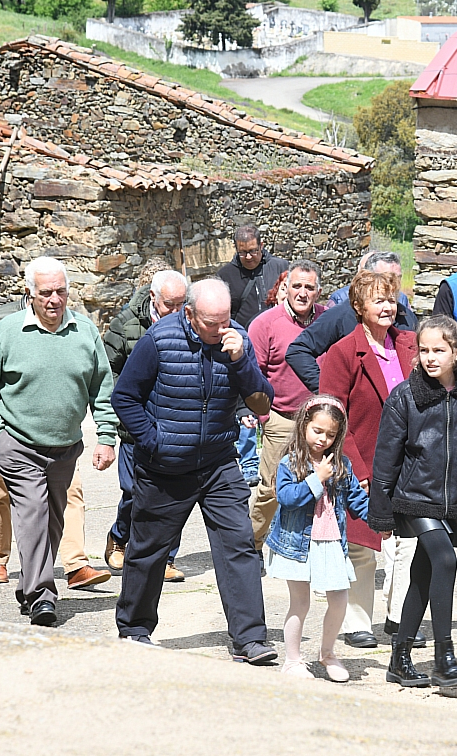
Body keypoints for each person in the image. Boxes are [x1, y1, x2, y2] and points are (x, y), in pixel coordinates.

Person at [111, 279, 278, 662]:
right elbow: (125, 397)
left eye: (225, 320)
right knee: (149, 550)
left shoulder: (236, 340)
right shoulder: (158, 340)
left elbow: (261, 402)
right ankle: (134, 629)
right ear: (189, 314)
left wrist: (241, 361)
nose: (220, 330)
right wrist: (153, 441)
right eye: (211, 323)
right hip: (165, 467)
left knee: (239, 545)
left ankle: (250, 639)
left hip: (218, 463)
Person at [0, 257, 118, 626]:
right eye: (46, 293)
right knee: (33, 515)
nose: (54, 300)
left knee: (52, 522)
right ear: (30, 293)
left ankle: (28, 587)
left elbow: (102, 389)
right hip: (18, 444)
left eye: (60, 292)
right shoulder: (8, 331)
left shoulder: (85, 332)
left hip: (65, 447)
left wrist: (106, 436)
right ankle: (42, 596)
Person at [370, 315, 457, 688]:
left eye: (439, 350)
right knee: (444, 559)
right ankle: (444, 658)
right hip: (413, 498)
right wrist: (381, 512)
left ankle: (400, 658)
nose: (430, 357)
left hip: (452, 501)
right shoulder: (405, 396)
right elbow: (386, 458)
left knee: (423, 576)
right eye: (424, 350)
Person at [320, 270, 419, 649]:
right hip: (361, 462)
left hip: (410, 464)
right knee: (362, 547)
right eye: (378, 300)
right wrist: (355, 470)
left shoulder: (410, 344)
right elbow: (334, 417)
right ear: (359, 306)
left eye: (391, 299)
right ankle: (357, 623)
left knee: (408, 544)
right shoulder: (343, 352)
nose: (387, 307)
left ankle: (400, 618)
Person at [265, 395, 369, 682]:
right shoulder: (290, 463)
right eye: (317, 431)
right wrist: (317, 478)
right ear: (303, 426)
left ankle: (327, 653)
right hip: (297, 544)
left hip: (331, 542)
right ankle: (292, 660)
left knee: (339, 600)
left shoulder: (342, 464)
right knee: (300, 603)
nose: (323, 439)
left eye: (330, 434)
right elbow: (287, 499)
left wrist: (383, 521)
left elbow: (357, 501)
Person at [102, 269, 190, 583]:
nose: (176, 312)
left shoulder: (191, 323)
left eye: (181, 304)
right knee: (134, 491)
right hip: (135, 426)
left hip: (175, 425)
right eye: (170, 304)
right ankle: (119, 537)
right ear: (153, 297)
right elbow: (107, 371)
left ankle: (165, 557)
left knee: (174, 495)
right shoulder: (125, 325)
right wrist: (125, 407)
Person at [248, 260, 326, 558]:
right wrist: (264, 415)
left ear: (318, 292)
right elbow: (252, 374)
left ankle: (310, 548)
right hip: (281, 417)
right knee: (271, 489)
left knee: (320, 486)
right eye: (297, 286)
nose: (302, 293)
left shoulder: (328, 320)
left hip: (319, 420)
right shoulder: (265, 324)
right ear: (286, 288)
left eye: (309, 287)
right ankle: (251, 545)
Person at [218, 225, 289, 488]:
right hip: (242, 347)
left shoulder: (279, 267)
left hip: (276, 342)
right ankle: (248, 463)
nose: (248, 257)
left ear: (262, 246)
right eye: (243, 252)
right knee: (244, 406)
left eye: (253, 251)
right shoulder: (226, 276)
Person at [286, 254, 415, 393]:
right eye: (383, 277)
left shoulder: (407, 317)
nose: (390, 284)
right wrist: (327, 390)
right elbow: (298, 350)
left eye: (397, 278)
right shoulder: (341, 315)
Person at [329, 251, 414, 312]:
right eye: (387, 279)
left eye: (398, 278)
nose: (394, 284)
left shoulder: (402, 300)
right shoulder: (339, 299)